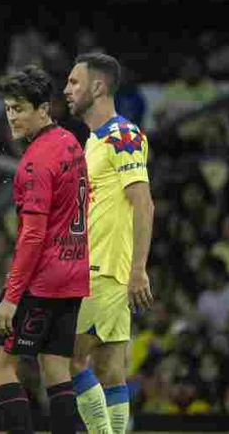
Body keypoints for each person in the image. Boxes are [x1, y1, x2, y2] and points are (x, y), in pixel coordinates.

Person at [0, 65, 90, 434]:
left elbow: (32, 235)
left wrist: (11, 298)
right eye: (8, 109)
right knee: (56, 366)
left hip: (42, 279)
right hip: (73, 274)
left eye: (20, 109)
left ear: (43, 109)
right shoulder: (70, 142)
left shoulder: (34, 162)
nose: (11, 117)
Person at [64, 53, 155, 434]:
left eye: (74, 82)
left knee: (66, 360)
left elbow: (143, 203)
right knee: (109, 370)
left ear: (98, 87)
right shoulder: (93, 141)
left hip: (102, 270)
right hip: (102, 270)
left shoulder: (123, 135)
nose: (66, 90)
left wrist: (138, 270)